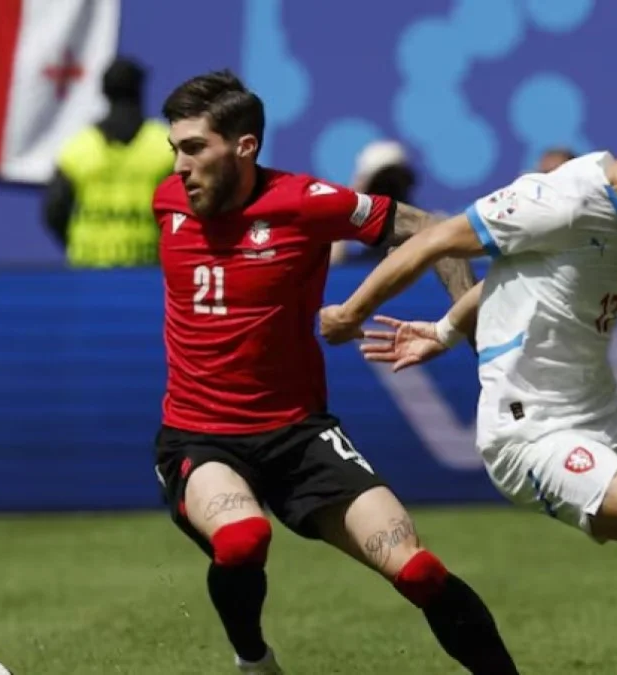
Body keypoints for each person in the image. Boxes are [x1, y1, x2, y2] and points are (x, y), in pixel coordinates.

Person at [320, 85, 617, 675]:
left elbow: (516, 272)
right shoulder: (563, 196)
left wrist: (447, 330)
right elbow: (435, 238)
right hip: (531, 432)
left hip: (601, 418)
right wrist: (350, 311)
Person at [149, 70, 511, 674]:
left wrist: (466, 332)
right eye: (174, 150)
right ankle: (254, 662)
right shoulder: (168, 202)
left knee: (419, 569)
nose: (179, 168)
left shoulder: (305, 202)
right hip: (200, 438)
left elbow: (431, 231)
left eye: (193, 148)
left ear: (245, 146)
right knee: (243, 538)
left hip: (299, 435)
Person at [43, 57, 174, 267]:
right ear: (139, 90)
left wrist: (77, 244)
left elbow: (54, 211)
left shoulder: (79, 147)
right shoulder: (165, 145)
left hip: (88, 266)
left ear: (104, 92)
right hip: (147, 267)